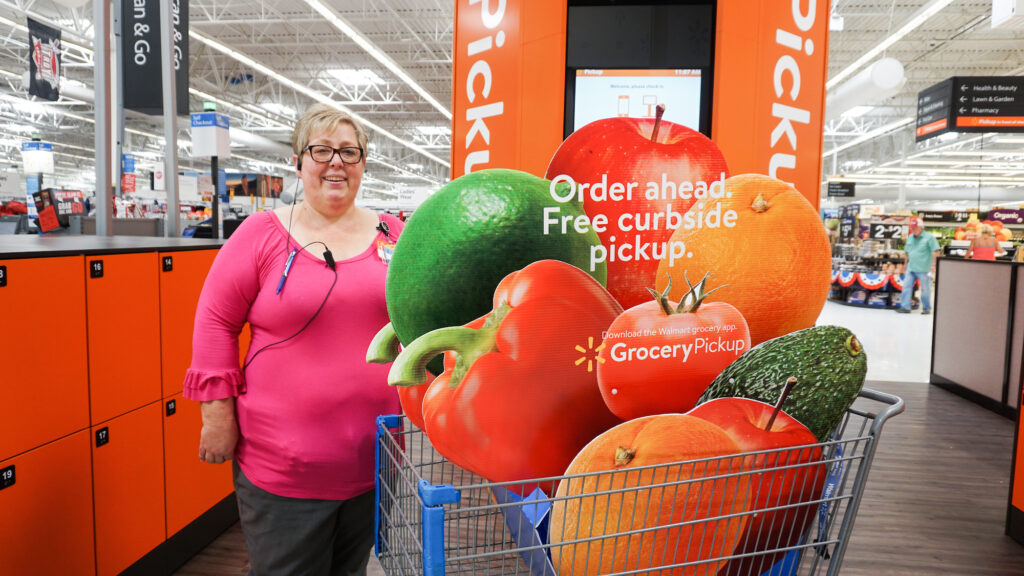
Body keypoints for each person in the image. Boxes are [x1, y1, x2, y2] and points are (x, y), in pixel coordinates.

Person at [183, 103, 404, 576]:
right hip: (284, 467)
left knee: (351, 570)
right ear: (298, 162)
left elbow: (421, 317)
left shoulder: (393, 233)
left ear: (364, 162)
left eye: (349, 151)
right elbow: (215, 323)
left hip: (373, 459)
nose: (336, 162)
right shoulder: (262, 234)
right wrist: (216, 414)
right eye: (321, 150)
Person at [897, 216, 940, 314]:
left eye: (915, 228)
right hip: (911, 267)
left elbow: (936, 251)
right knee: (906, 287)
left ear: (921, 227)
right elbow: (907, 252)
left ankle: (926, 309)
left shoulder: (929, 238)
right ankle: (905, 307)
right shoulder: (910, 238)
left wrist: (934, 265)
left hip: (924, 269)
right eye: (912, 228)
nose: (913, 230)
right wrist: (905, 265)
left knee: (925, 290)